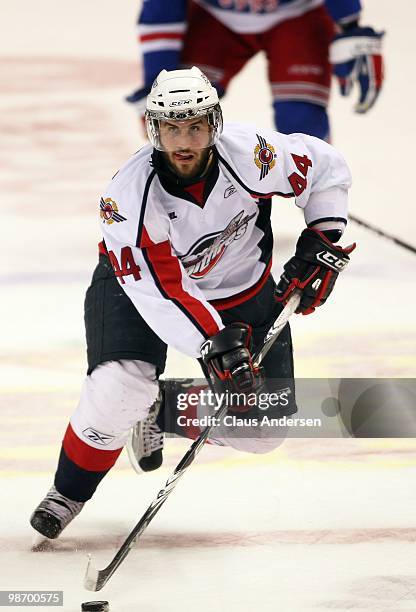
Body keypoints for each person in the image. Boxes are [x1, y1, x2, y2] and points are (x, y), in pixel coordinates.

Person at [30, 67, 355, 540]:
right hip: (138, 292)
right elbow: (162, 290)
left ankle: (160, 408)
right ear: (153, 129)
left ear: (214, 124)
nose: (184, 140)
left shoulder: (253, 154)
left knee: (264, 431)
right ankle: (68, 493)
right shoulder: (126, 198)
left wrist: (323, 236)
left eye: (196, 126)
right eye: (171, 128)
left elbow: (326, 169)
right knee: (118, 388)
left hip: (243, 290)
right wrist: (213, 343)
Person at [126, 0, 384, 140]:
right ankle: (188, 205)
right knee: (181, 113)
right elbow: (162, 8)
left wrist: (350, 25)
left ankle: (323, 204)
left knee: (302, 124)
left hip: (298, 13)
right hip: (214, 18)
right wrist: (158, 80)